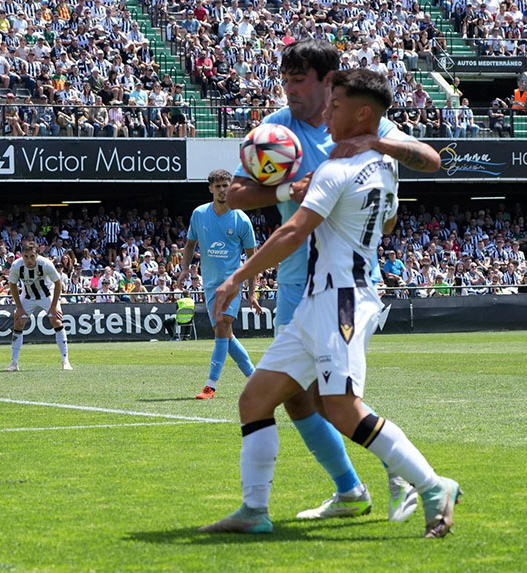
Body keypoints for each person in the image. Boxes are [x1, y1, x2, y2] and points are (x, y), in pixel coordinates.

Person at [200, 69, 461, 539]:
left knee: (341, 407)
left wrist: (239, 276)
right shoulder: (380, 163)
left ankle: (431, 484)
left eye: (336, 106)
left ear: (362, 113)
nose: (328, 114)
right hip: (319, 302)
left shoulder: (339, 167)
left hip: (341, 300)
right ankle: (254, 511)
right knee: (255, 399)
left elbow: (294, 231)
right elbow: (387, 221)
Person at [177, 169, 262, 400]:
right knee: (225, 334)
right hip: (210, 284)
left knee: (223, 326)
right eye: (218, 186)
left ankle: (210, 386)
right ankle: (255, 380)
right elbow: (190, 245)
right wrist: (185, 269)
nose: (223, 190)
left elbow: (252, 260)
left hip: (232, 283)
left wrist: (252, 293)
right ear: (211, 189)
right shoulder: (199, 214)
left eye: (226, 185)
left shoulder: (241, 219)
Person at [5, 241, 72, 372]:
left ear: (37, 255)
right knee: (19, 322)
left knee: (56, 320)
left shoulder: (46, 264)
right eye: (25, 256)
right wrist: (19, 307)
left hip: (46, 295)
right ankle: (14, 363)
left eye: (32, 256)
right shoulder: (16, 265)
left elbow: (58, 283)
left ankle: (65, 360)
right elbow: (12, 284)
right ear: (22, 256)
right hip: (28, 296)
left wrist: (53, 306)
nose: (29, 260)